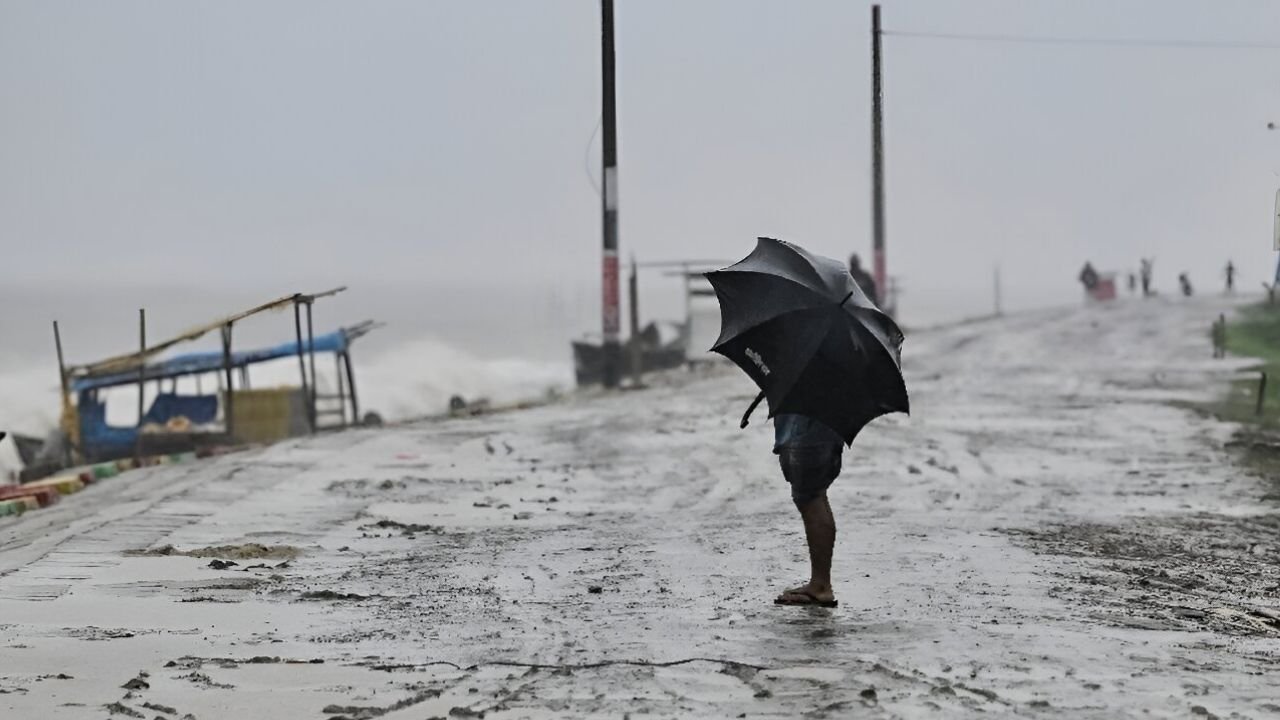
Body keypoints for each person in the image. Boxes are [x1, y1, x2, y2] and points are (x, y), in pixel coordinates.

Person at [772, 413, 844, 608]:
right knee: (813, 496)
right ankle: (820, 583)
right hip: (817, 424)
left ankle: (820, 586)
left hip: (809, 426)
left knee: (811, 497)